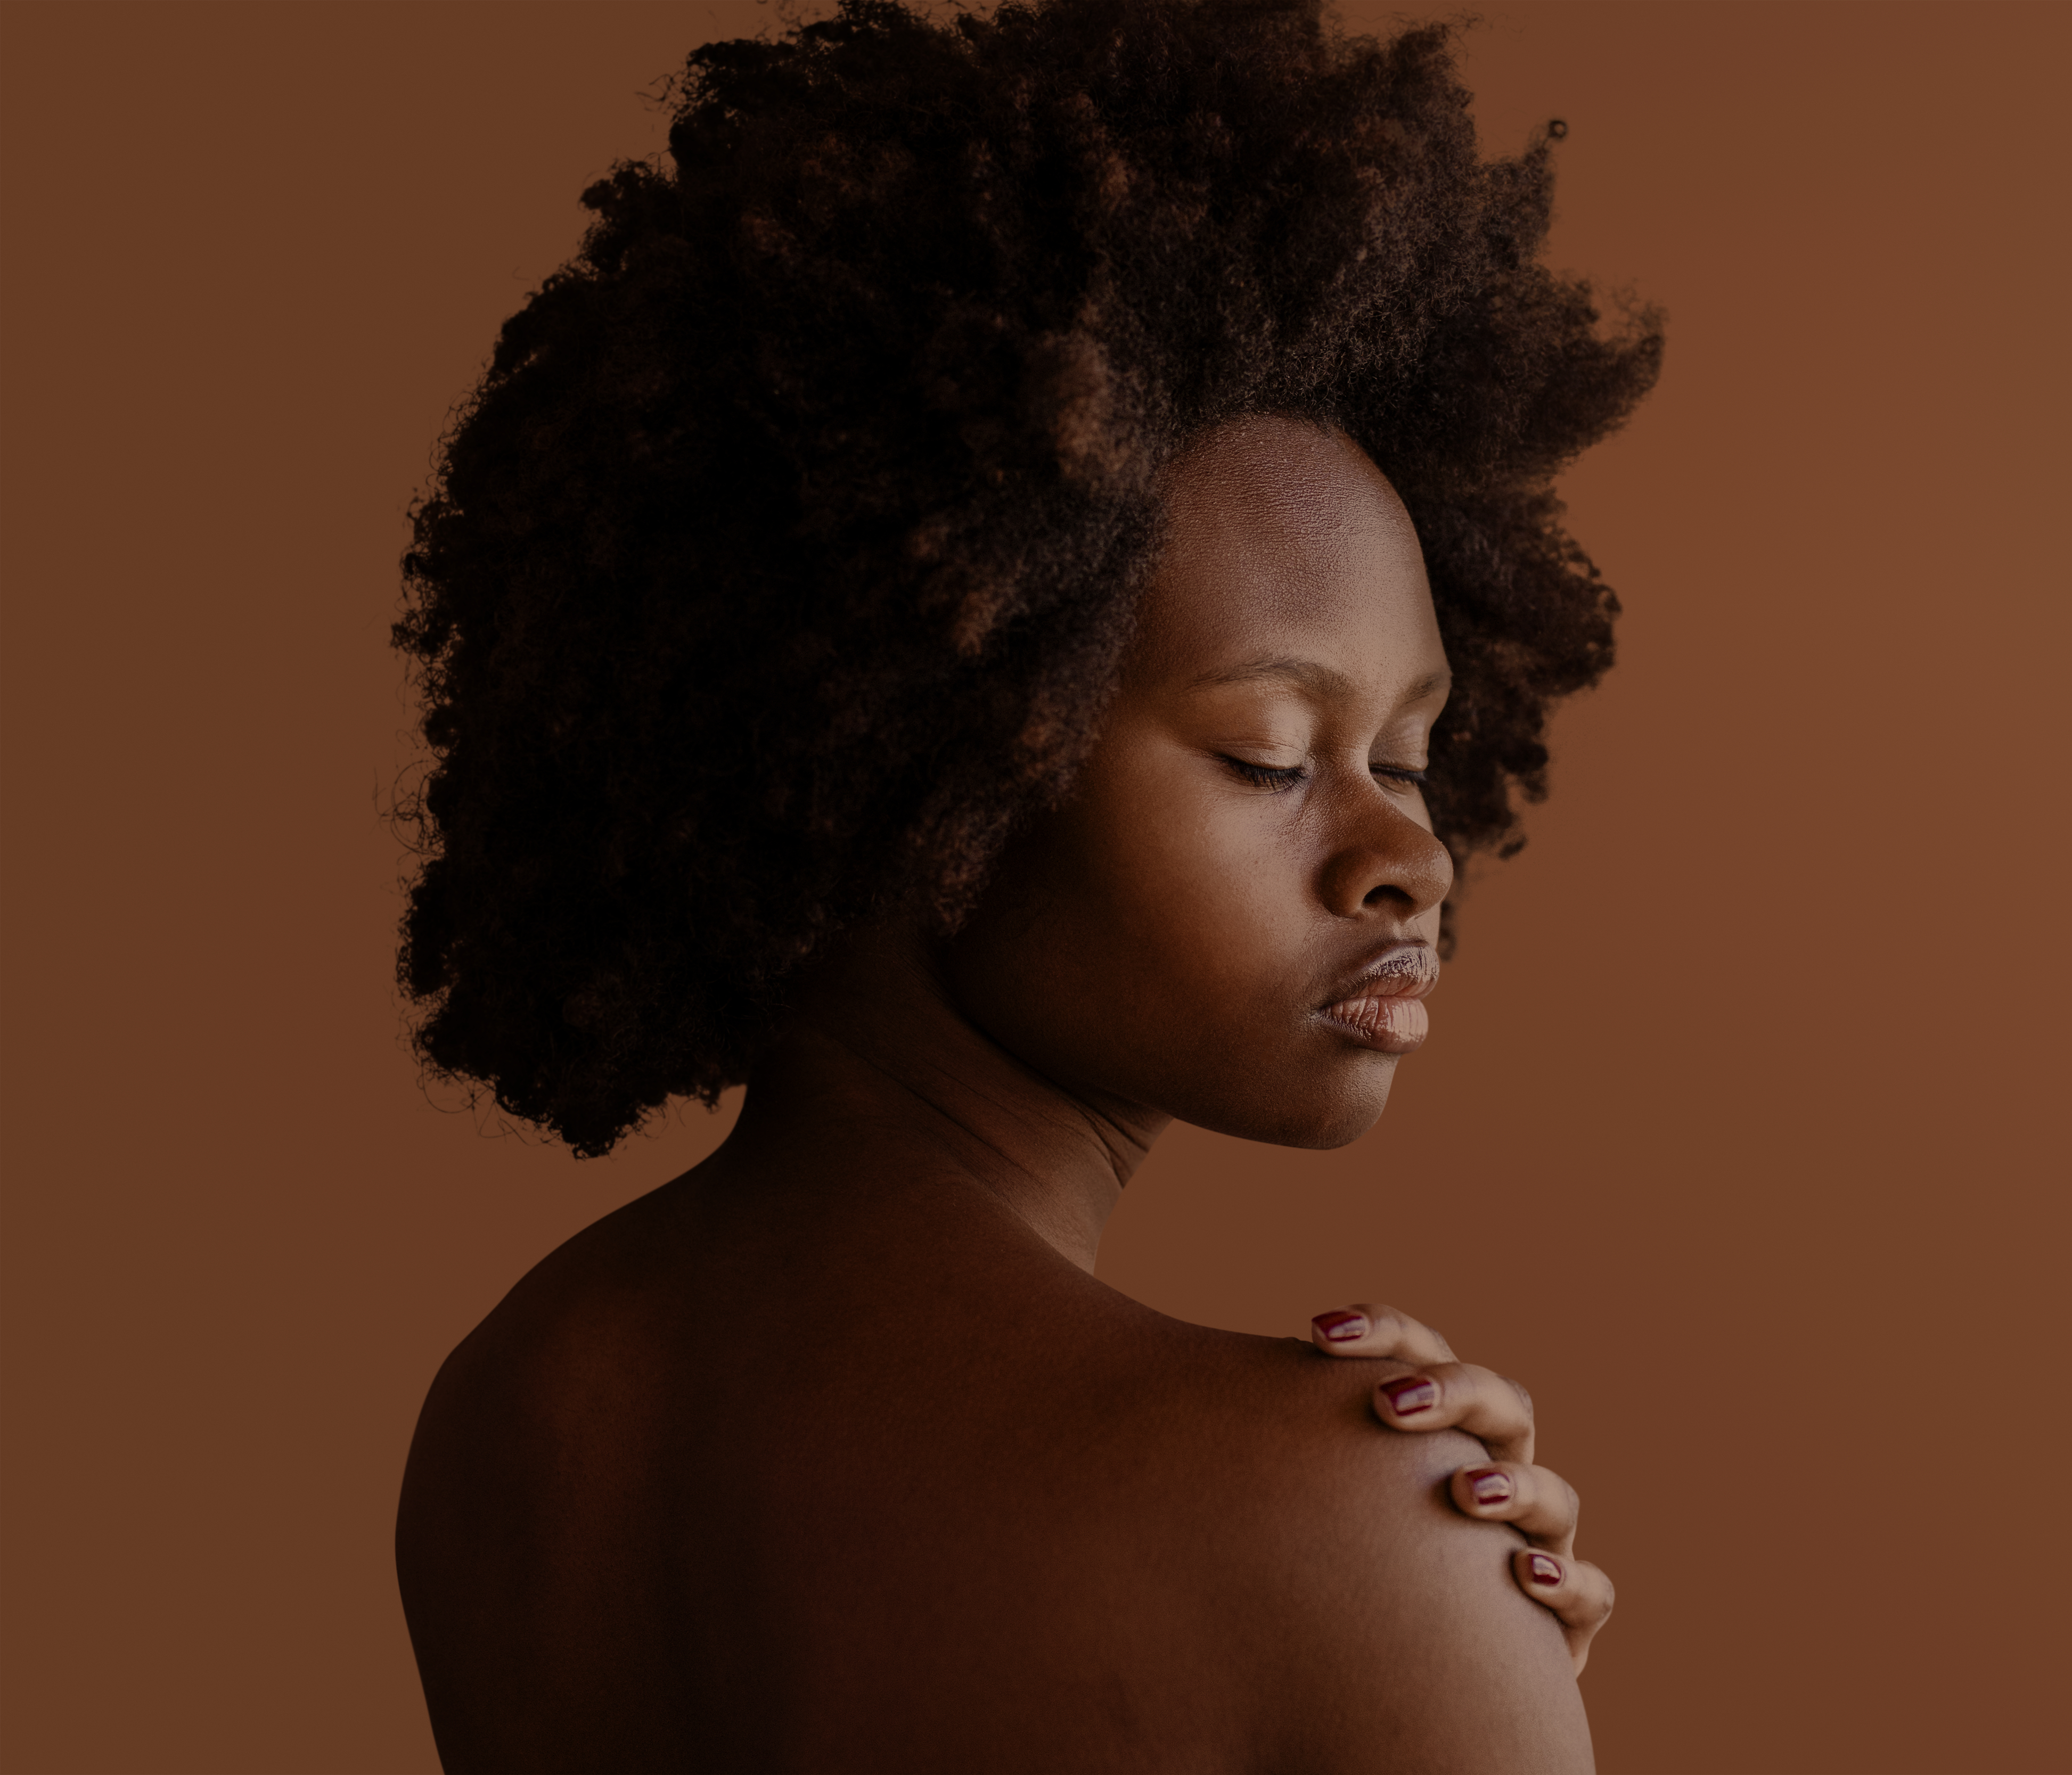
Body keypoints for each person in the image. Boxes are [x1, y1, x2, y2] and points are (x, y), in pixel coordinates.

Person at [390, 1, 1661, 1766]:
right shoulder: (1330, 1519)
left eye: (1413, 756)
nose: (1407, 859)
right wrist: (1434, 1639)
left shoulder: (516, 1408)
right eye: (1273, 759)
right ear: (930, 757)